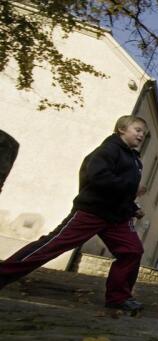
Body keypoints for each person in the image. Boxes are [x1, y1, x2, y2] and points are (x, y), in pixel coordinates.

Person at [0, 115, 148, 312]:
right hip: (92, 211)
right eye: (137, 130)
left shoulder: (135, 161)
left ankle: (118, 297)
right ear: (122, 129)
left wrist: (132, 207)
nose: (141, 135)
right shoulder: (108, 150)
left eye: (144, 133)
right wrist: (132, 187)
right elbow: (97, 178)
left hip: (117, 217)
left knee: (132, 251)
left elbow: (121, 192)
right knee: (52, 246)